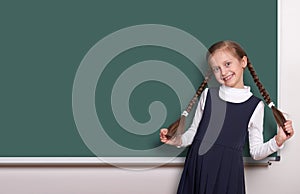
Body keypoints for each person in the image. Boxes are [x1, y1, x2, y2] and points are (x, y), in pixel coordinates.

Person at [160, 40, 294, 194]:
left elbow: (256, 152)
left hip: (227, 175)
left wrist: (278, 141)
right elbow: (192, 134)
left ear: (243, 62)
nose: (223, 72)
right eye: (217, 68)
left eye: (228, 64)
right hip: (198, 168)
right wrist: (175, 140)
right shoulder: (208, 95)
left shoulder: (255, 106)